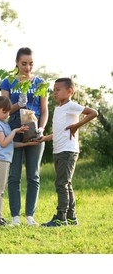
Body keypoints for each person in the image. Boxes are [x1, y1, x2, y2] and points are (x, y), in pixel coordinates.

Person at [0, 47, 48, 226]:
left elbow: (44, 110)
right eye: (24, 63)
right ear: (17, 63)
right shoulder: (8, 82)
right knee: (14, 175)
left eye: (31, 64)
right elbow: (3, 112)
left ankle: (29, 216)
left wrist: (41, 128)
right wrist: (18, 105)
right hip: (14, 129)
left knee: (33, 175)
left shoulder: (40, 83)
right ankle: (15, 217)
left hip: (34, 129)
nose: (28, 67)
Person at [39, 78, 98, 227]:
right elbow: (61, 131)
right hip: (59, 151)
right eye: (54, 90)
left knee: (61, 184)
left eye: (58, 90)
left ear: (69, 91)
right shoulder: (59, 109)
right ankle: (71, 217)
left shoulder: (71, 106)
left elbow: (93, 112)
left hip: (68, 151)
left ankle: (61, 217)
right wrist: (46, 138)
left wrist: (77, 125)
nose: (55, 93)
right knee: (66, 184)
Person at [0, 96, 40, 226]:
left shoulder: (3, 123)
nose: (6, 115)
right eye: (4, 112)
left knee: (1, 191)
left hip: (5, 160)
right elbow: (4, 143)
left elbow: (10, 144)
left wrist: (27, 145)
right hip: (0, 160)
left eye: (8, 112)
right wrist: (15, 131)